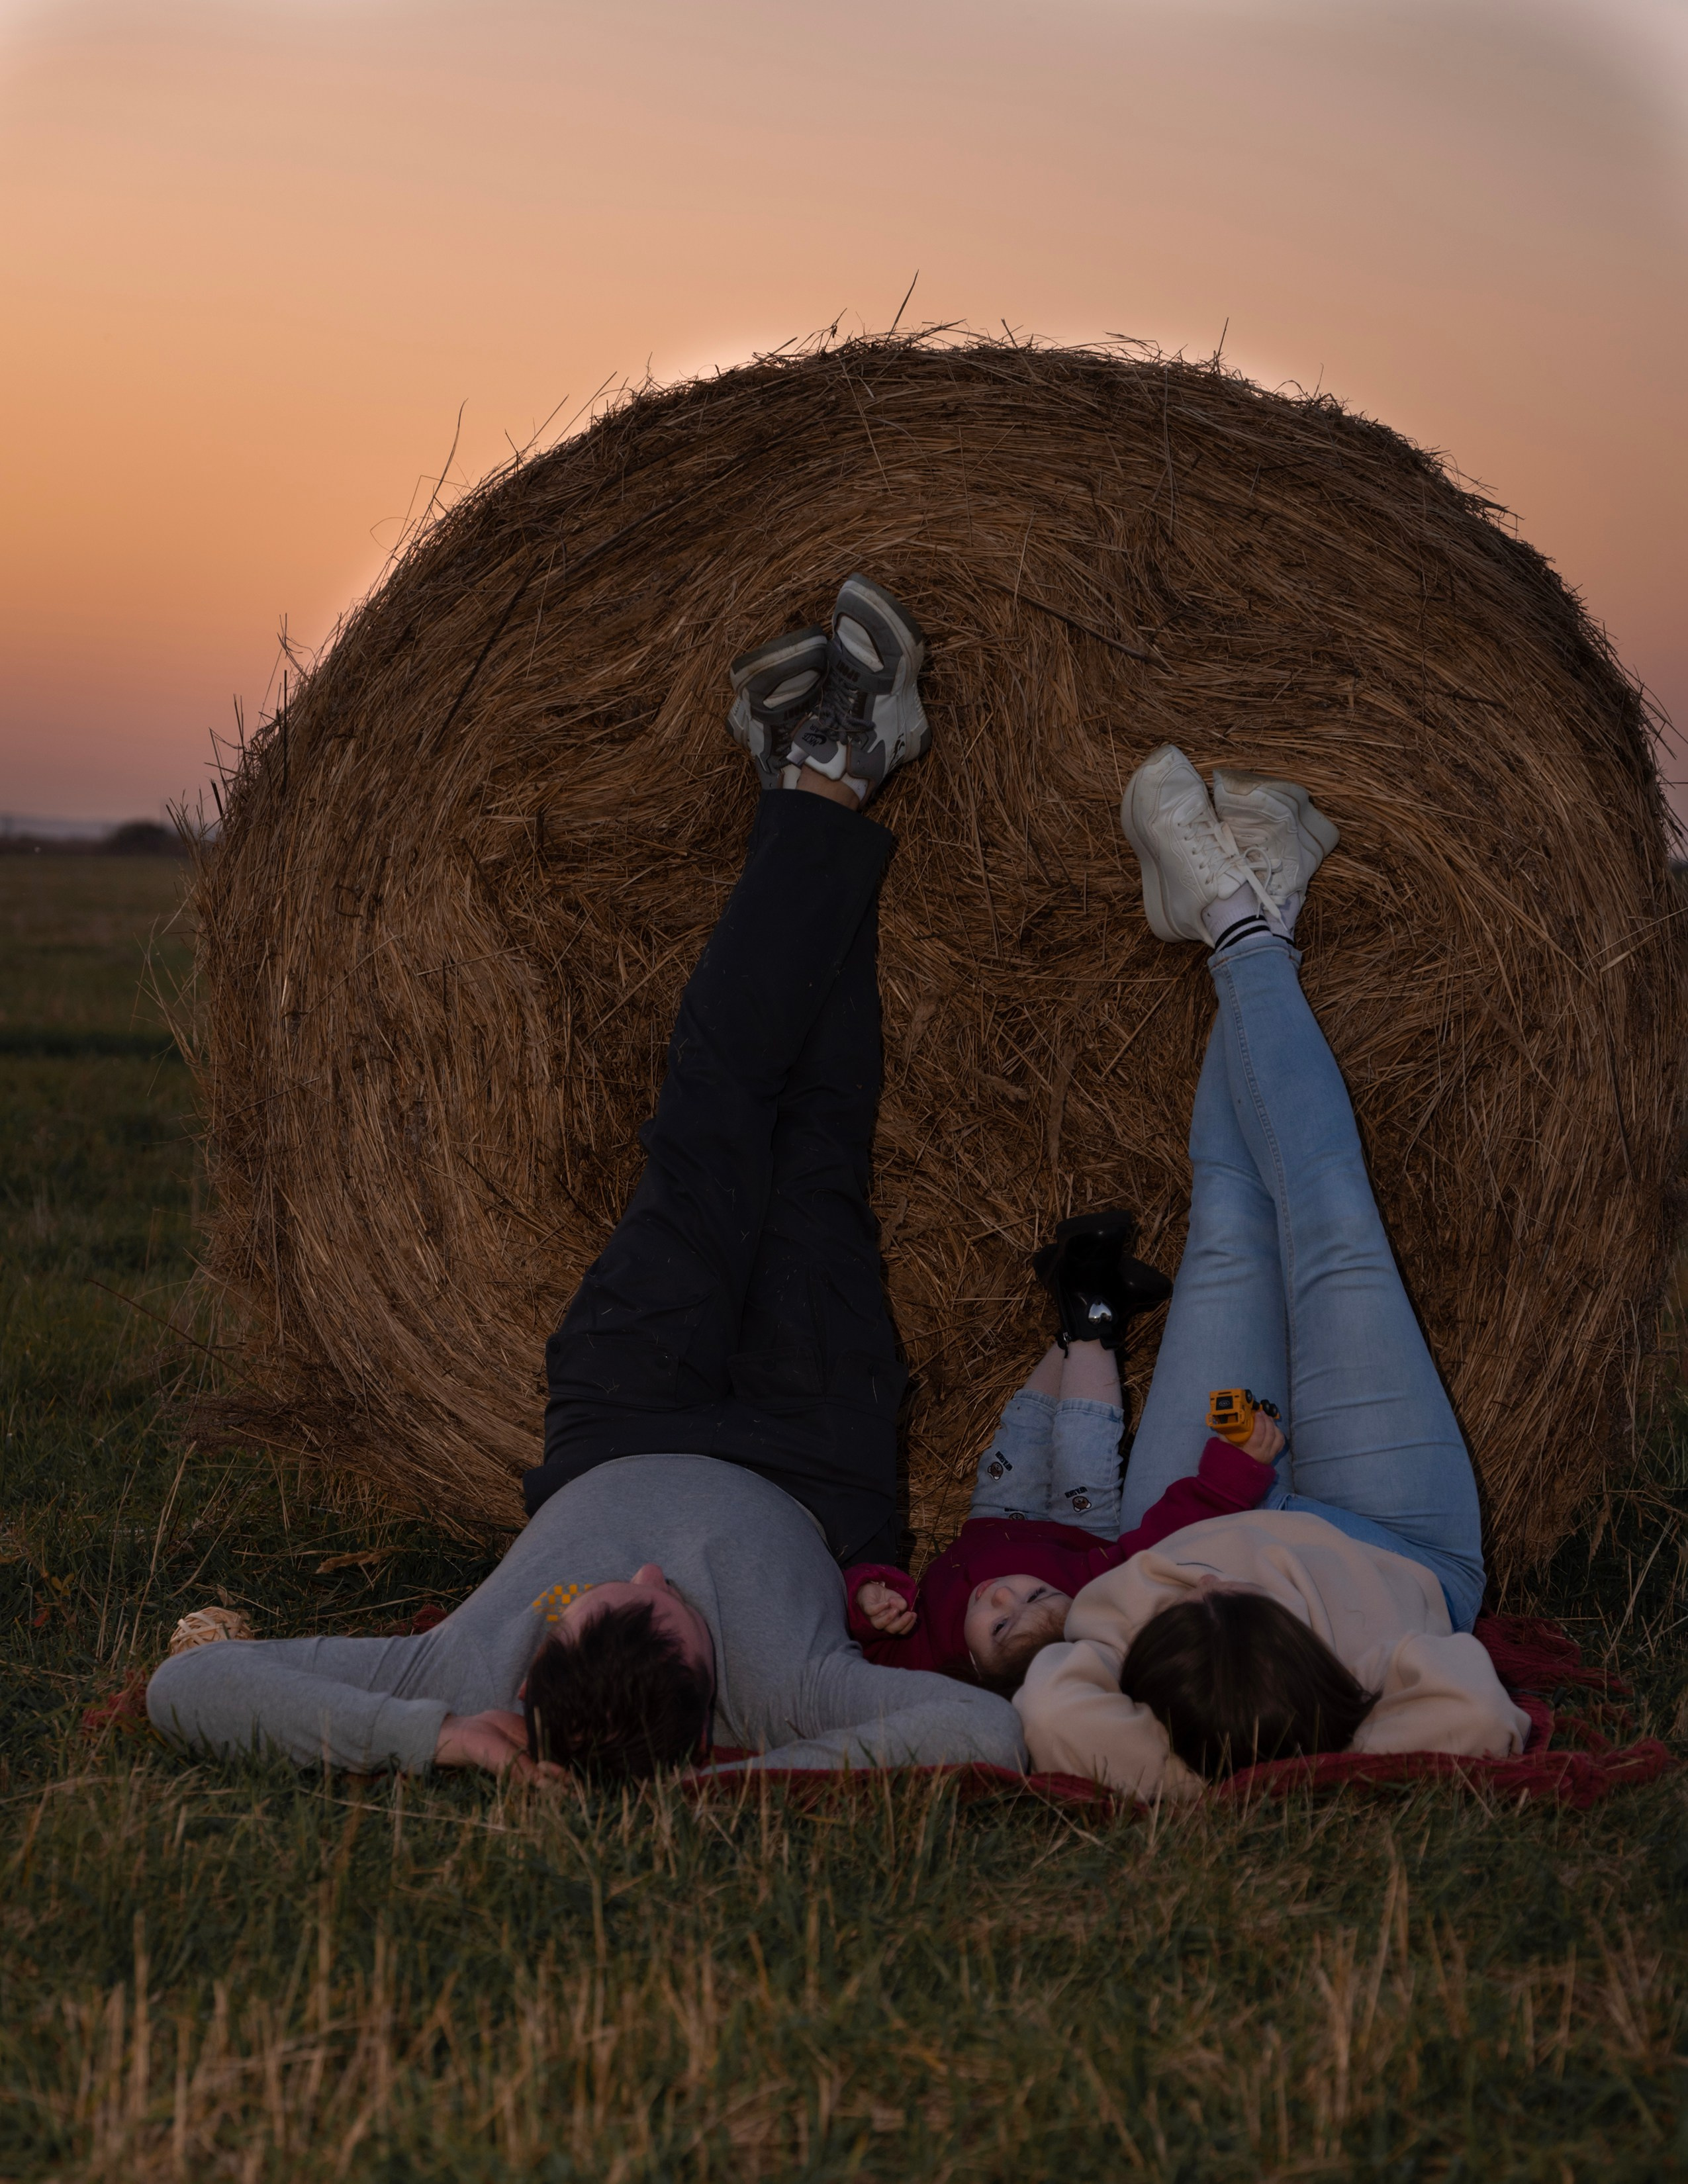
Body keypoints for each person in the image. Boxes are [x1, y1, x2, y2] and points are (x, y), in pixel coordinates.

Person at [146, 576, 1025, 1787]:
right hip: (813, 1449)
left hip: (624, 1404)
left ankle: (822, 780)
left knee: (714, 1110)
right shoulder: (787, 1700)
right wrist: (754, 1778)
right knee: (820, 1137)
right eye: (672, 1610)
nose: (654, 1574)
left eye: (603, 1595)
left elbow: (190, 1684)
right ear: (720, 1699)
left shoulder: (465, 1671)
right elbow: (988, 1733)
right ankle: (814, 777)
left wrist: (437, 1737)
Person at [1015, 747, 1530, 1795]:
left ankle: (1250, 914)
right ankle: (1242, 919)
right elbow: (1478, 1711)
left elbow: (1045, 1703)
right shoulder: (1385, 1661)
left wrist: (1192, 1772)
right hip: (1393, 1535)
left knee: (1231, 1222)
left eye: (1184, 1604)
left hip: (1195, 1490)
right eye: (1235, 1599)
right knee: (1333, 1220)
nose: (1210, 1582)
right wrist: (1313, 1758)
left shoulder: (1143, 1648)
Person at [845, 1213, 1283, 1691]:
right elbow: (1165, 1537)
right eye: (1037, 1594)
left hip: (993, 1518)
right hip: (1080, 1525)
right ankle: (1091, 1310)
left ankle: (1088, 1306)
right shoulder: (1092, 1593)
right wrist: (1233, 1475)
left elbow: (868, 1645)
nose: (1005, 1594)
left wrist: (873, 1601)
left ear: (976, 1675)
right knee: (1083, 1442)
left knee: (1022, 1432)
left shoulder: (922, 1667)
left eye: (999, 1627)